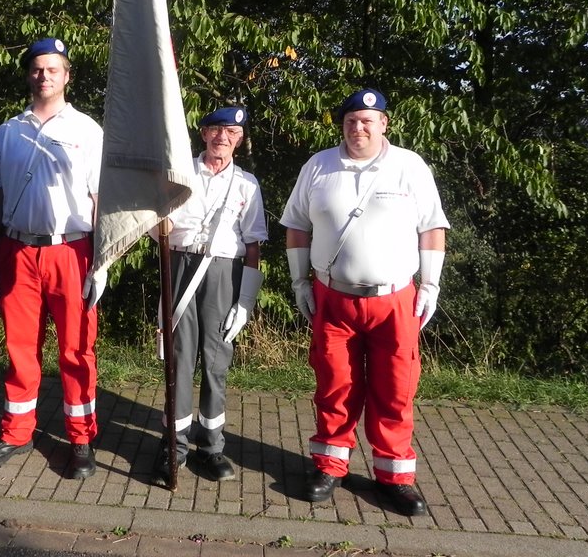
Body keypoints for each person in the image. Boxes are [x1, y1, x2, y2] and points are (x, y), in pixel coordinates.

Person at [279, 88, 449, 516]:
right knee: (334, 385)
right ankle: (329, 465)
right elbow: (296, 226)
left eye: (368, 121)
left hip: (395, 300)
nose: (359, 128)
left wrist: (431, 285)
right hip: (333, 297)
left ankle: (395, 477)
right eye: (351, 121)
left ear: (384, 124)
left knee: (396, 389)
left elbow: (432, 228)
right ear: (343, 124)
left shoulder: (409, 166)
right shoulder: (318, 166)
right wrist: (299, 282)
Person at [0, 36, 106, 480]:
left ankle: (81, 439)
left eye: (53, 69)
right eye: (37, 69)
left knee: (77, 349)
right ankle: (16, 432)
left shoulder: (88, 130)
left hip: (72, 250)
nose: (44, 75)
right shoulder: (8, 132)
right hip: (16, 250)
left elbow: (100, 201)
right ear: (28, 75)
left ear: (67, 75)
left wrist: (102, 261)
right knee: (20, 349)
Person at [151, 106, 268, 486]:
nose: (222, 137)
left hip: (224, 272)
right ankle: (175, 445)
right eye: (216, 129)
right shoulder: (179, 173)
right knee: (180, 359)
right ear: (203, 134)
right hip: (180, 265)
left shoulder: (247, 184)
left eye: (231, 132)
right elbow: (156, 224)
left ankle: (212, 446)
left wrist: (245, 301)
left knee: (216, 361)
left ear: (240, 139)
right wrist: (158, 221)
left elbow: (253, 244)